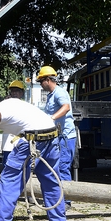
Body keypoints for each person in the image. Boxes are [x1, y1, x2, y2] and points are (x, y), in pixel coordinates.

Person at [37, 66, 76, 209]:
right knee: (56, 168)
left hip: (65, 137)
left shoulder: (60, 93)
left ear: (48, 80)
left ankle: (66, 202)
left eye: (41, 81)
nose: (41, 84)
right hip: (58, 137)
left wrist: (52, 118)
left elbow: (66, 107)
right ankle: (60, 198)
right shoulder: (51, 95)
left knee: (63, 167)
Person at [1, 80, 26, 166]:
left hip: (21, 141)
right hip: (8, 143)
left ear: (22, 93)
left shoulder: (25, 106)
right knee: (6, 164)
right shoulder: (5, 104)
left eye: (17, 91)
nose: (14, 93)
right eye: (13, 91)